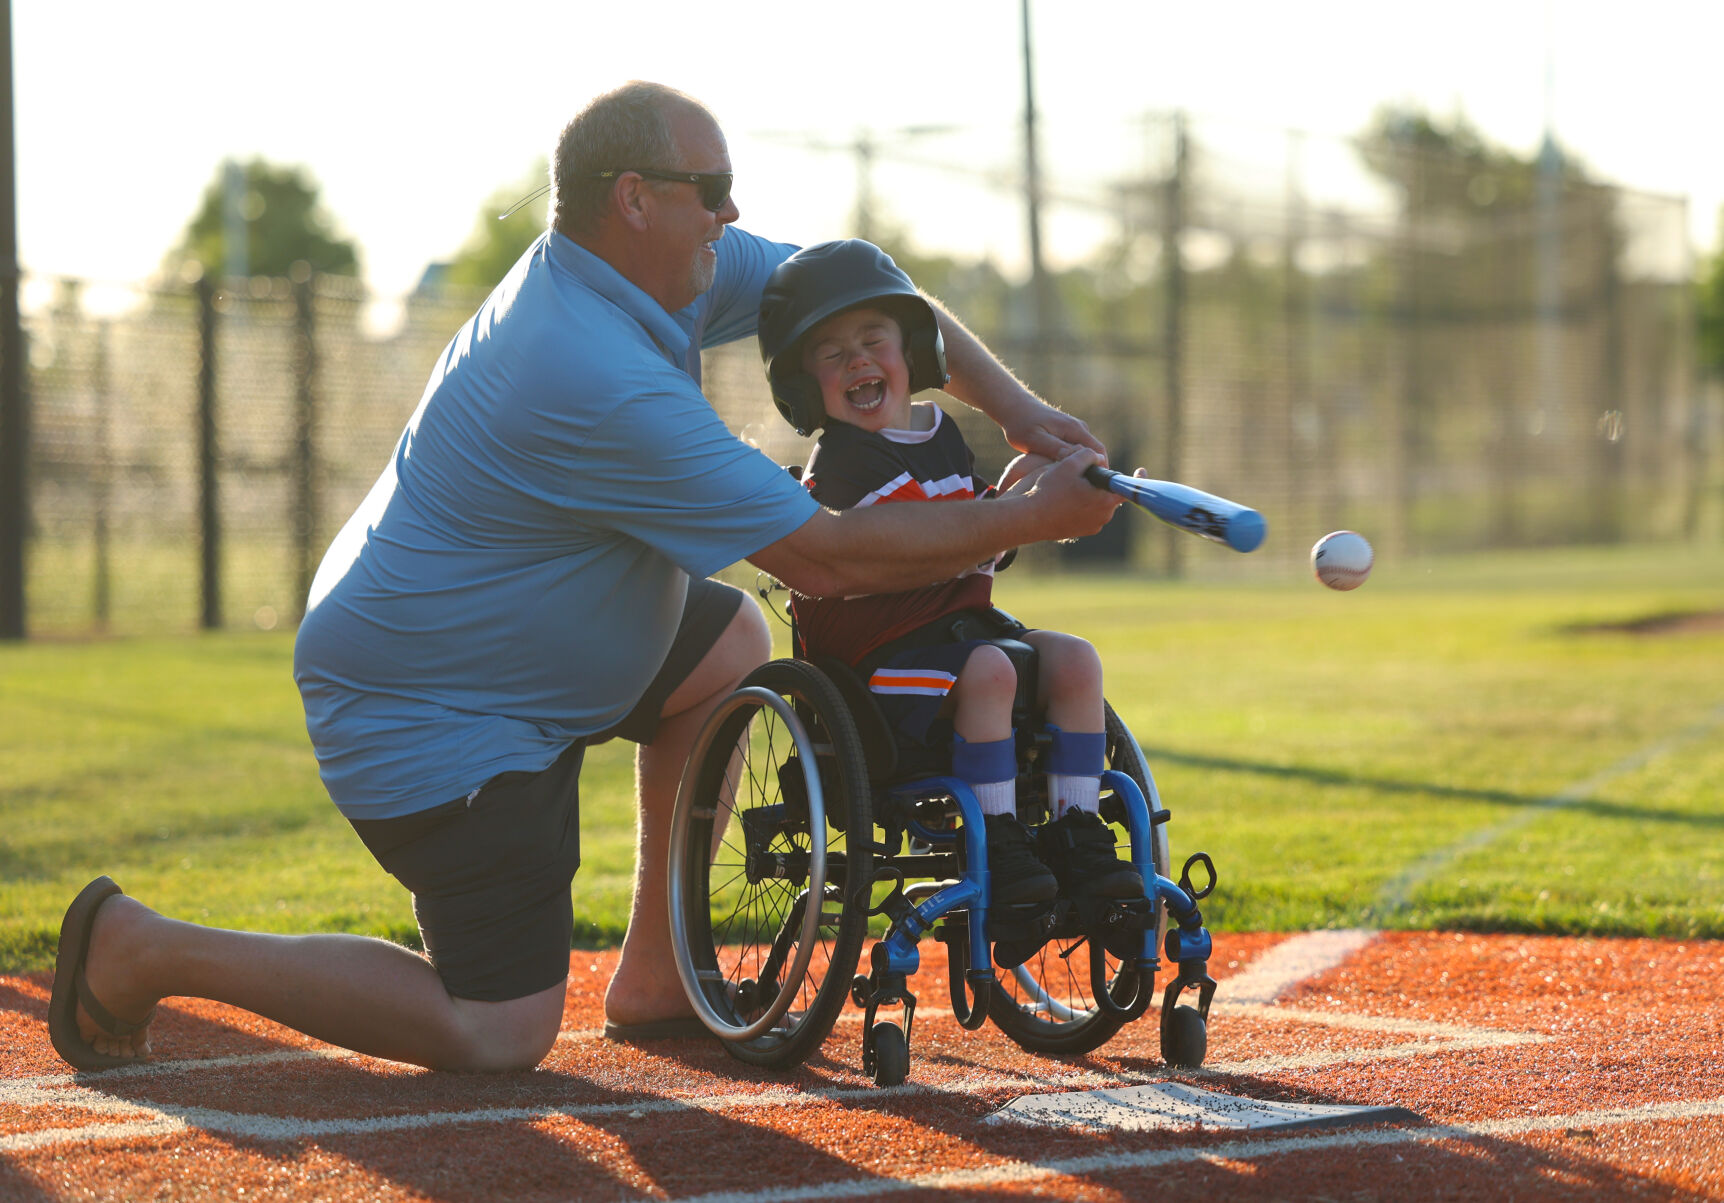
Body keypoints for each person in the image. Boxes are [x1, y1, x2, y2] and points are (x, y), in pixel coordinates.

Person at [47, 82, 1120, 1075]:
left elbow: (881, 293)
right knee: (499, 1029)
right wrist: (1031, 516)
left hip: (509, 643)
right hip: (429, 705)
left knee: (728, 648)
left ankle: (655, 977)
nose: (730, 210)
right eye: (710, 189)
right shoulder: (586, 369)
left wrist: (1022, 417)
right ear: (635, 199)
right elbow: (822, 553)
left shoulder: (659, 269)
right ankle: (138, 949)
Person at [757, 239, 1145, 927]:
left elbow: (975, 521)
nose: (859, 361)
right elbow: (937, 541)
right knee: (993, 670)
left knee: (1075, 658)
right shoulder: (840, 465)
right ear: (803, 385)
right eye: (833, 353)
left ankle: (1077, 830)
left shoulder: (938, 434)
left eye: (875, 340)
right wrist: (1017, 514)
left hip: (958, 636)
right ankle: (996, 840)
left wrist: (1029, 485)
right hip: (883, 665)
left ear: (912, 357)